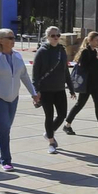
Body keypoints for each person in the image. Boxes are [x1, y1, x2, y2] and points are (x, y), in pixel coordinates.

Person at [0, 28, 39, 171]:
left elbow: (24, 76)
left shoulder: (18, 56)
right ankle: (5, 160)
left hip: (13, 97)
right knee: (4, 128)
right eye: (10, 38)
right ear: (1, 40)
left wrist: (33, 93)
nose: (13, 40)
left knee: (5, 126)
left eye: (14, 37)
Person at [63, 31, 98, 136]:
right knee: (80, 104)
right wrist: (97, 60)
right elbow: (86, 67)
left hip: (94, 83)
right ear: (90, 40)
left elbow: (97, 67)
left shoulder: (93, 52)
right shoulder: (85, 52)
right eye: (96, 40)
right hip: (87, 83)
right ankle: (67, 125)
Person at [31, 26, 73, 154]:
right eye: (52, 36)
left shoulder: (61, 51)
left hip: (59, 89)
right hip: (46, 90)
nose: (55, 38)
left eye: (57, 35)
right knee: (49, 115)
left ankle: (49, 132)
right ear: (47, 37)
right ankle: (51, 141)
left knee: (62, 115)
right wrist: (36, 90)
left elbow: (65, 71)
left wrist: (71, 88)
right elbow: (35, 73)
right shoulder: (42, 51)